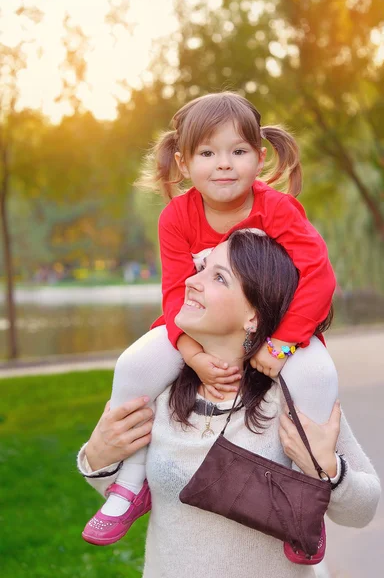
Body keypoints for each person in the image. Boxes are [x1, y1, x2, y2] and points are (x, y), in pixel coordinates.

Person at [82, 91, 337, 545]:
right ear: (183, 163)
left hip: (280, 327)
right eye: (207, 153)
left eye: (238, 151)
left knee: (317, 374)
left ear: (259, 159)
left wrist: (281, 344)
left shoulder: (276, 209)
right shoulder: (176, 219)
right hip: (195, 329)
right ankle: (132, 480)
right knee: (135, 366)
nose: (224, 164)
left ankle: (306, 494)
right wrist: (192, 355)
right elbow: (176, 295)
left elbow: (318, 276)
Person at [78, 231, 380, 578]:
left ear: (254, 314)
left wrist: (327, 469)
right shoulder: (161, 389)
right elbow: (135, 493)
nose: (191, 281)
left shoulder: (293, 398)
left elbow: (362, 511)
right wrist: (98, 458)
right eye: (201, 268)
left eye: (218, 277)